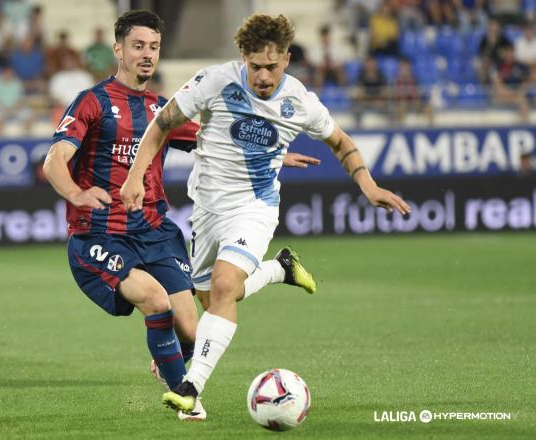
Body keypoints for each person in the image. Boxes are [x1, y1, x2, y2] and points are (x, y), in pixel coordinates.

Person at [120, 13, 411, 414]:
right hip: (206, 210)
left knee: (223, 286)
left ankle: (191, 388)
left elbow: (342, 143)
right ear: (243, 57)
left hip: (254, 207)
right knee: (216, 297)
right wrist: (135, 176)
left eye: (271, 66)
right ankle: (280, 269)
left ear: (287, 60)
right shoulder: (216, 81)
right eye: (255, 66)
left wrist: (369, 185)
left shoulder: (300, 101)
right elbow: (162, 123)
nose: (262, 76)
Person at [42, 10, 317, 422]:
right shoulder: (93, 102)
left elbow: (217, 142)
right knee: (156, 302)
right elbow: (54, 161)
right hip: (100, 234)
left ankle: (272, 273)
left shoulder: (161, 107)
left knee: (192, 329)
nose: (147, 54)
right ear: (118, 50)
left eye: (153, 47)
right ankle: (188, 401)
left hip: (154, 231)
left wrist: (274, 155)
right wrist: (77, 193)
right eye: (138, 46)